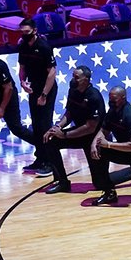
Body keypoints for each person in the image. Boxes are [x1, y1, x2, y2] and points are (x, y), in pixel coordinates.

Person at [85, 87, 131, 206]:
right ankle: (109, 192)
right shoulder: (112, 112)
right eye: (109, 98)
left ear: (123, 98)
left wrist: (108, 144)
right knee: (99, 151)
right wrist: (94, 143)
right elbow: (103, 130)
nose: (111, 101)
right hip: (127, 153)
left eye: (114, 99)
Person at [40, 66, 105, 194]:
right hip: (79, 133)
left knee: (100, 183)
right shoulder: (73, 90)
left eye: (76, 77)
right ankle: (62, 182)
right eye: (72, 76)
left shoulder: (93, 96)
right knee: (51, 142)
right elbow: (69, 113)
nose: (73, 80)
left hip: (94, 138)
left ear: (85, 80)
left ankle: (129, 172)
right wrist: (57, 127)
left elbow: (90, 127)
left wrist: (64, 135)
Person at [17, 17, 57, 175]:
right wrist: (22, 82)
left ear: (34, 31)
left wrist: (44, 95)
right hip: (33, 89)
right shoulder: (23, 46)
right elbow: (22, 67)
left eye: (26, 32)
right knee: (37, 125)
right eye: (21, 33)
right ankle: (40, 158)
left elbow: (52, 73)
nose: (23, 35)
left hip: (46, 90)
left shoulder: (44, 47)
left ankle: (50, 162)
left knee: (45, 125)